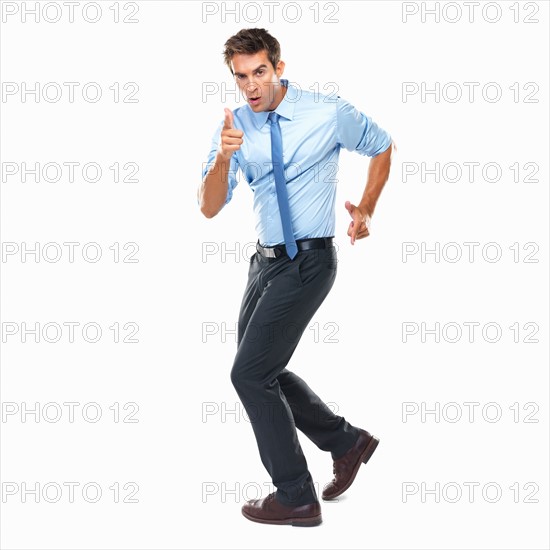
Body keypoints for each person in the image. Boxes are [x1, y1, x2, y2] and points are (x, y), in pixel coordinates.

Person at [198, 28, 394, 527]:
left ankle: (296, 495)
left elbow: (382, 145)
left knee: (248, 374)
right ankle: (346, 442)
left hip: (309, 261)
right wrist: (223, 159)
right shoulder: (237, 126)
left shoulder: (326, 112)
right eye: (241, 77)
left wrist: (366, 209)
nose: (251, 86)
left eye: (259, 72)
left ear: (278, 68)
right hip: (264, 264)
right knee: (264, 368)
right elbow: (208, 207)